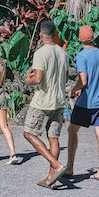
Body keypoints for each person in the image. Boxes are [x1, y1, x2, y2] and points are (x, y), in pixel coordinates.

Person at [23, 20, 69, 188]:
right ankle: (50, 178)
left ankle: (56, 166)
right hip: (59, 101)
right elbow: (65, 78)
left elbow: (37, 78)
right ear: (55, 34)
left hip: (43, 101)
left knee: (29, 133)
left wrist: (27, 80)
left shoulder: (41, 53)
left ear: (41, 35)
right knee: (53, 138)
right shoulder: (63, 53)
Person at [66, 25, 99, 182]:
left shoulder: (81, 56)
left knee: (72, 130)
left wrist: (73, 90)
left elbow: (83, 81)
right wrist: (81, 88)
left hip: (86, 102)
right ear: (93, 38)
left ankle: (70, 167)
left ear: (80, 39)